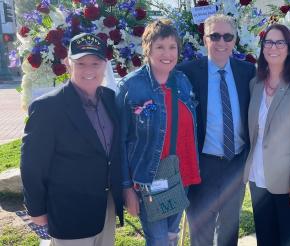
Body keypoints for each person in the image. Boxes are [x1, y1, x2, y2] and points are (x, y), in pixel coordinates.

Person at [20, 33, 124, 245]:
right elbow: (32, 166)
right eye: (80, 63)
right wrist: (37, 211)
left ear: (105, 65)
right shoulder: (48, 107)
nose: (88, 70)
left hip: (106, 206)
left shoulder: (111, 99)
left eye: (95, 63)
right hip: (70, 212)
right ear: (68, 64)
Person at [117, 19, 201, 246]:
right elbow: (120, 142)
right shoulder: (130, 87)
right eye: (160, 47)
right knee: (158, 241)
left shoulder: (183, 82)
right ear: (148, 49)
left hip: (180, 177)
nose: (167, 53)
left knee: (172, 237)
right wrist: (126, 188)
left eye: (172, 47)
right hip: (148, 179)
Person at [177, 14, 256, 246]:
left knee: (229, 229)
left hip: (236, 163)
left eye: (228, 36)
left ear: (235, 40)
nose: (221, 42)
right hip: (202, 164)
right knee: (201, 230)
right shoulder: (187, 72)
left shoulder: (247, 71)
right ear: (205, 39)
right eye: (215, 36)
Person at [242, 24, 290, 246]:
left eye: (280, 42)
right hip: (259, 178)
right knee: (266, 240)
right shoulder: (255, 84)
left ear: (289, 48)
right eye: (268, 42)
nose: (273, 47)